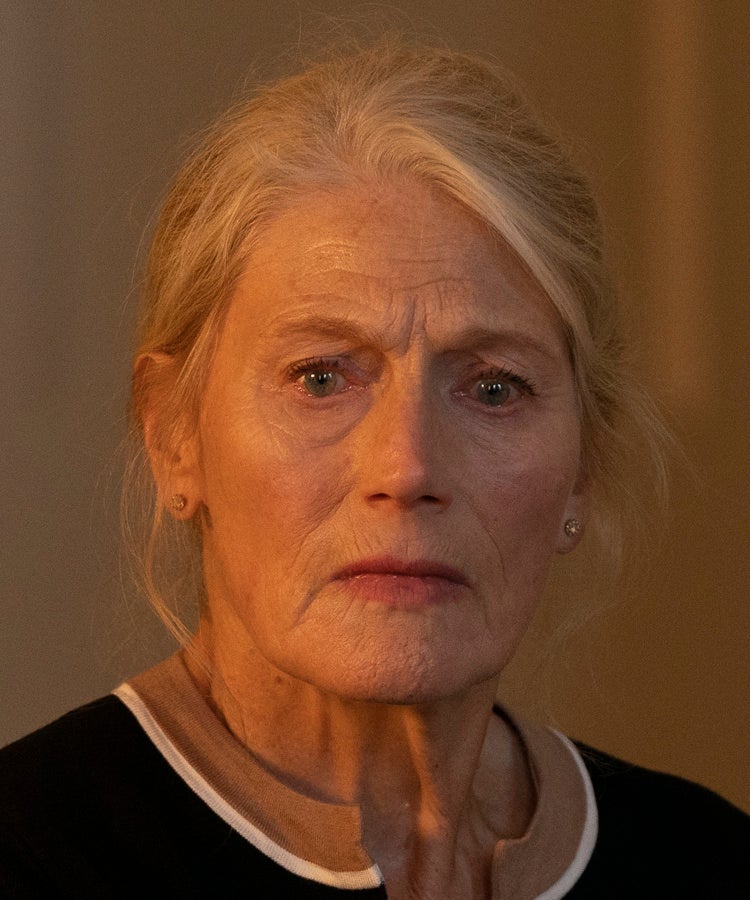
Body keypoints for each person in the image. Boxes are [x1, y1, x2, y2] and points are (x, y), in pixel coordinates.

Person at [1, 41, 747, 899]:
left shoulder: (708, 864)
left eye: (494, 388)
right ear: (175, 435)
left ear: (585, 464)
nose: (408, 465)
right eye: (320, 378)